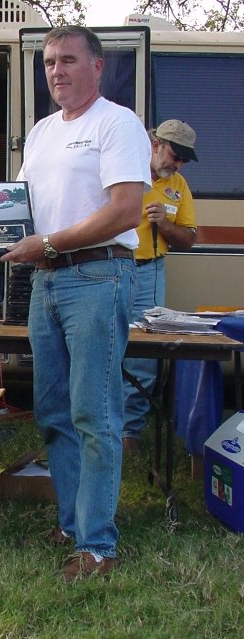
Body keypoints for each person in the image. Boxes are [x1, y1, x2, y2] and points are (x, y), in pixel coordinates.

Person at [0, 26, 151, 581]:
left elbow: (127, 210)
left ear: (98, 67)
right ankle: (70, 522)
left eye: (67, 61)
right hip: (47, 281)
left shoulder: (117, 123)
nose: (56, 71)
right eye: (49, 64)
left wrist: (50, 243)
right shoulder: (39, 133)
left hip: (97, 276)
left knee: (95, 414)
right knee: (55, 412)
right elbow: (23, 209)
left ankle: (98, 547)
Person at [122, 120, 198, 452]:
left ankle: (129, 433)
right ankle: (94, 428)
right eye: (175, 154)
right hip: (112, 268)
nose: (177, 163)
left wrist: (164, 224)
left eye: (183, 159)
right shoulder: (125, 169)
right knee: (102, 345)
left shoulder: (179, 186)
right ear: (155, 144)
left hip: (151, 271)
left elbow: (189, 238)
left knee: (143, 356)